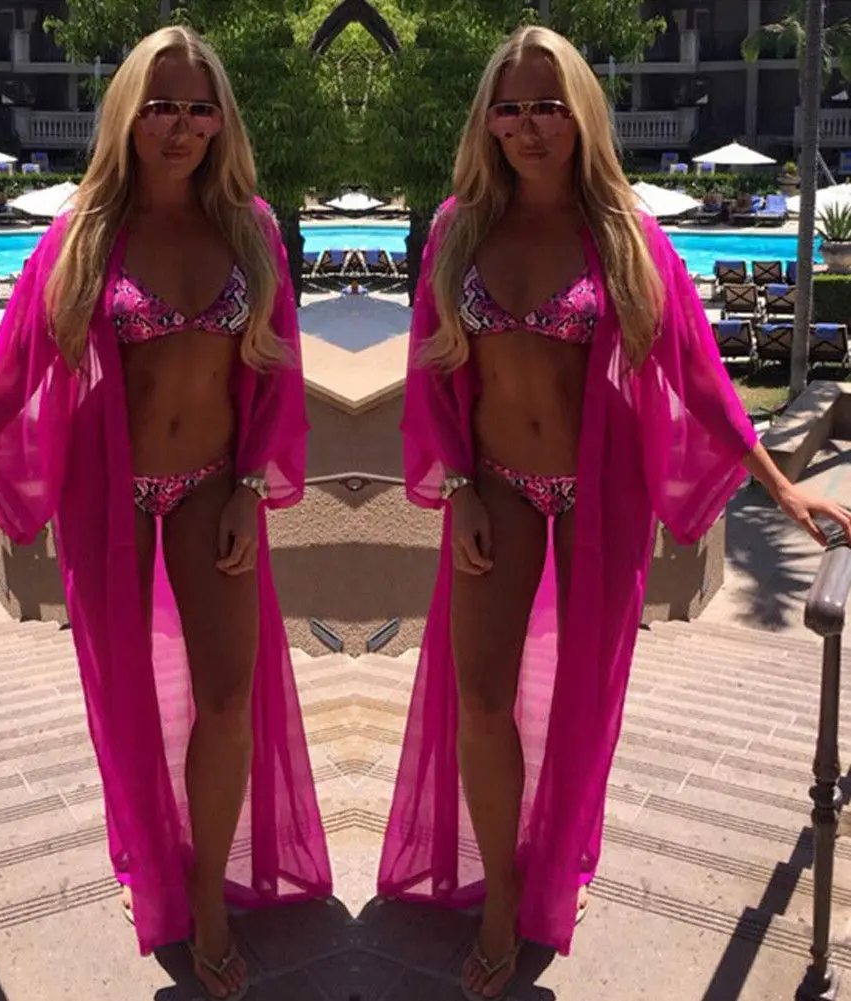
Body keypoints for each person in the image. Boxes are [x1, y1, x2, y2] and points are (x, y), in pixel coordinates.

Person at [0, 25, 332, 1001]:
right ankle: (156, 868)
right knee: (129, 706)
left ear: (220, 120)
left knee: (226, 700)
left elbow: (276, 370)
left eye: (198, 108)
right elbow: (10, 373)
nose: (180, 127)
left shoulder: (249, 229)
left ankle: (207, 896)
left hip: (211, 488)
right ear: (126, 116)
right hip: (110, 492)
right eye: (160, 107)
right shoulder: (83, 236)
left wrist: (249, 485)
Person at [376, 24, 851, 1001]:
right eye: (509, 107)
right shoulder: (457, 229)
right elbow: (429, 369)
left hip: (598, 492)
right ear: (487, 120)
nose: (527, 125)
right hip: (495, 487)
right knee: (481, 699)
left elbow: (697, 373)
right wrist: (458, 483)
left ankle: (552, 871)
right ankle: (500, 899)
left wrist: (778, 485)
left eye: (547, 106)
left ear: (580, 114)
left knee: (579, 706)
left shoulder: (624, 235)